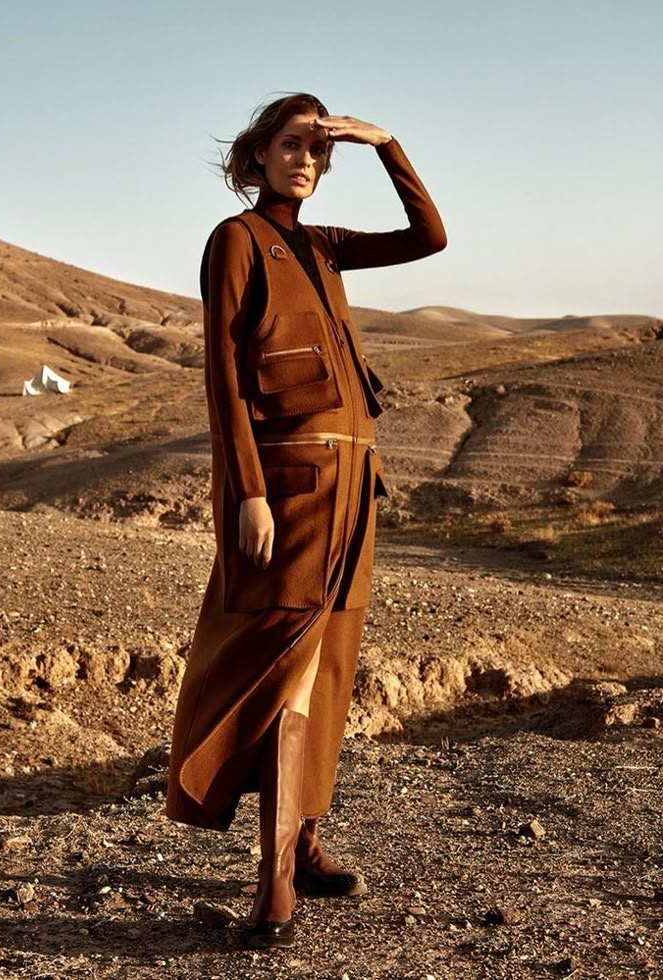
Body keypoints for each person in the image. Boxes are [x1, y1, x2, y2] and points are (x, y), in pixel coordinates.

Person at [166, 92, 447, 949]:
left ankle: (308, 836)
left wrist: (387, 142)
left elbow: (429, 236)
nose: (305, 161)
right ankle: (275, 877)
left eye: (317, 152)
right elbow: (223, 373)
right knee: (284, 660)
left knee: (330, 665)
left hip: (356, 484)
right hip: (287, 487)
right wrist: (245, 491)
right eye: (291, 146)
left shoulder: (323, 248)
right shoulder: (237, 240)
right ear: (256, 157)